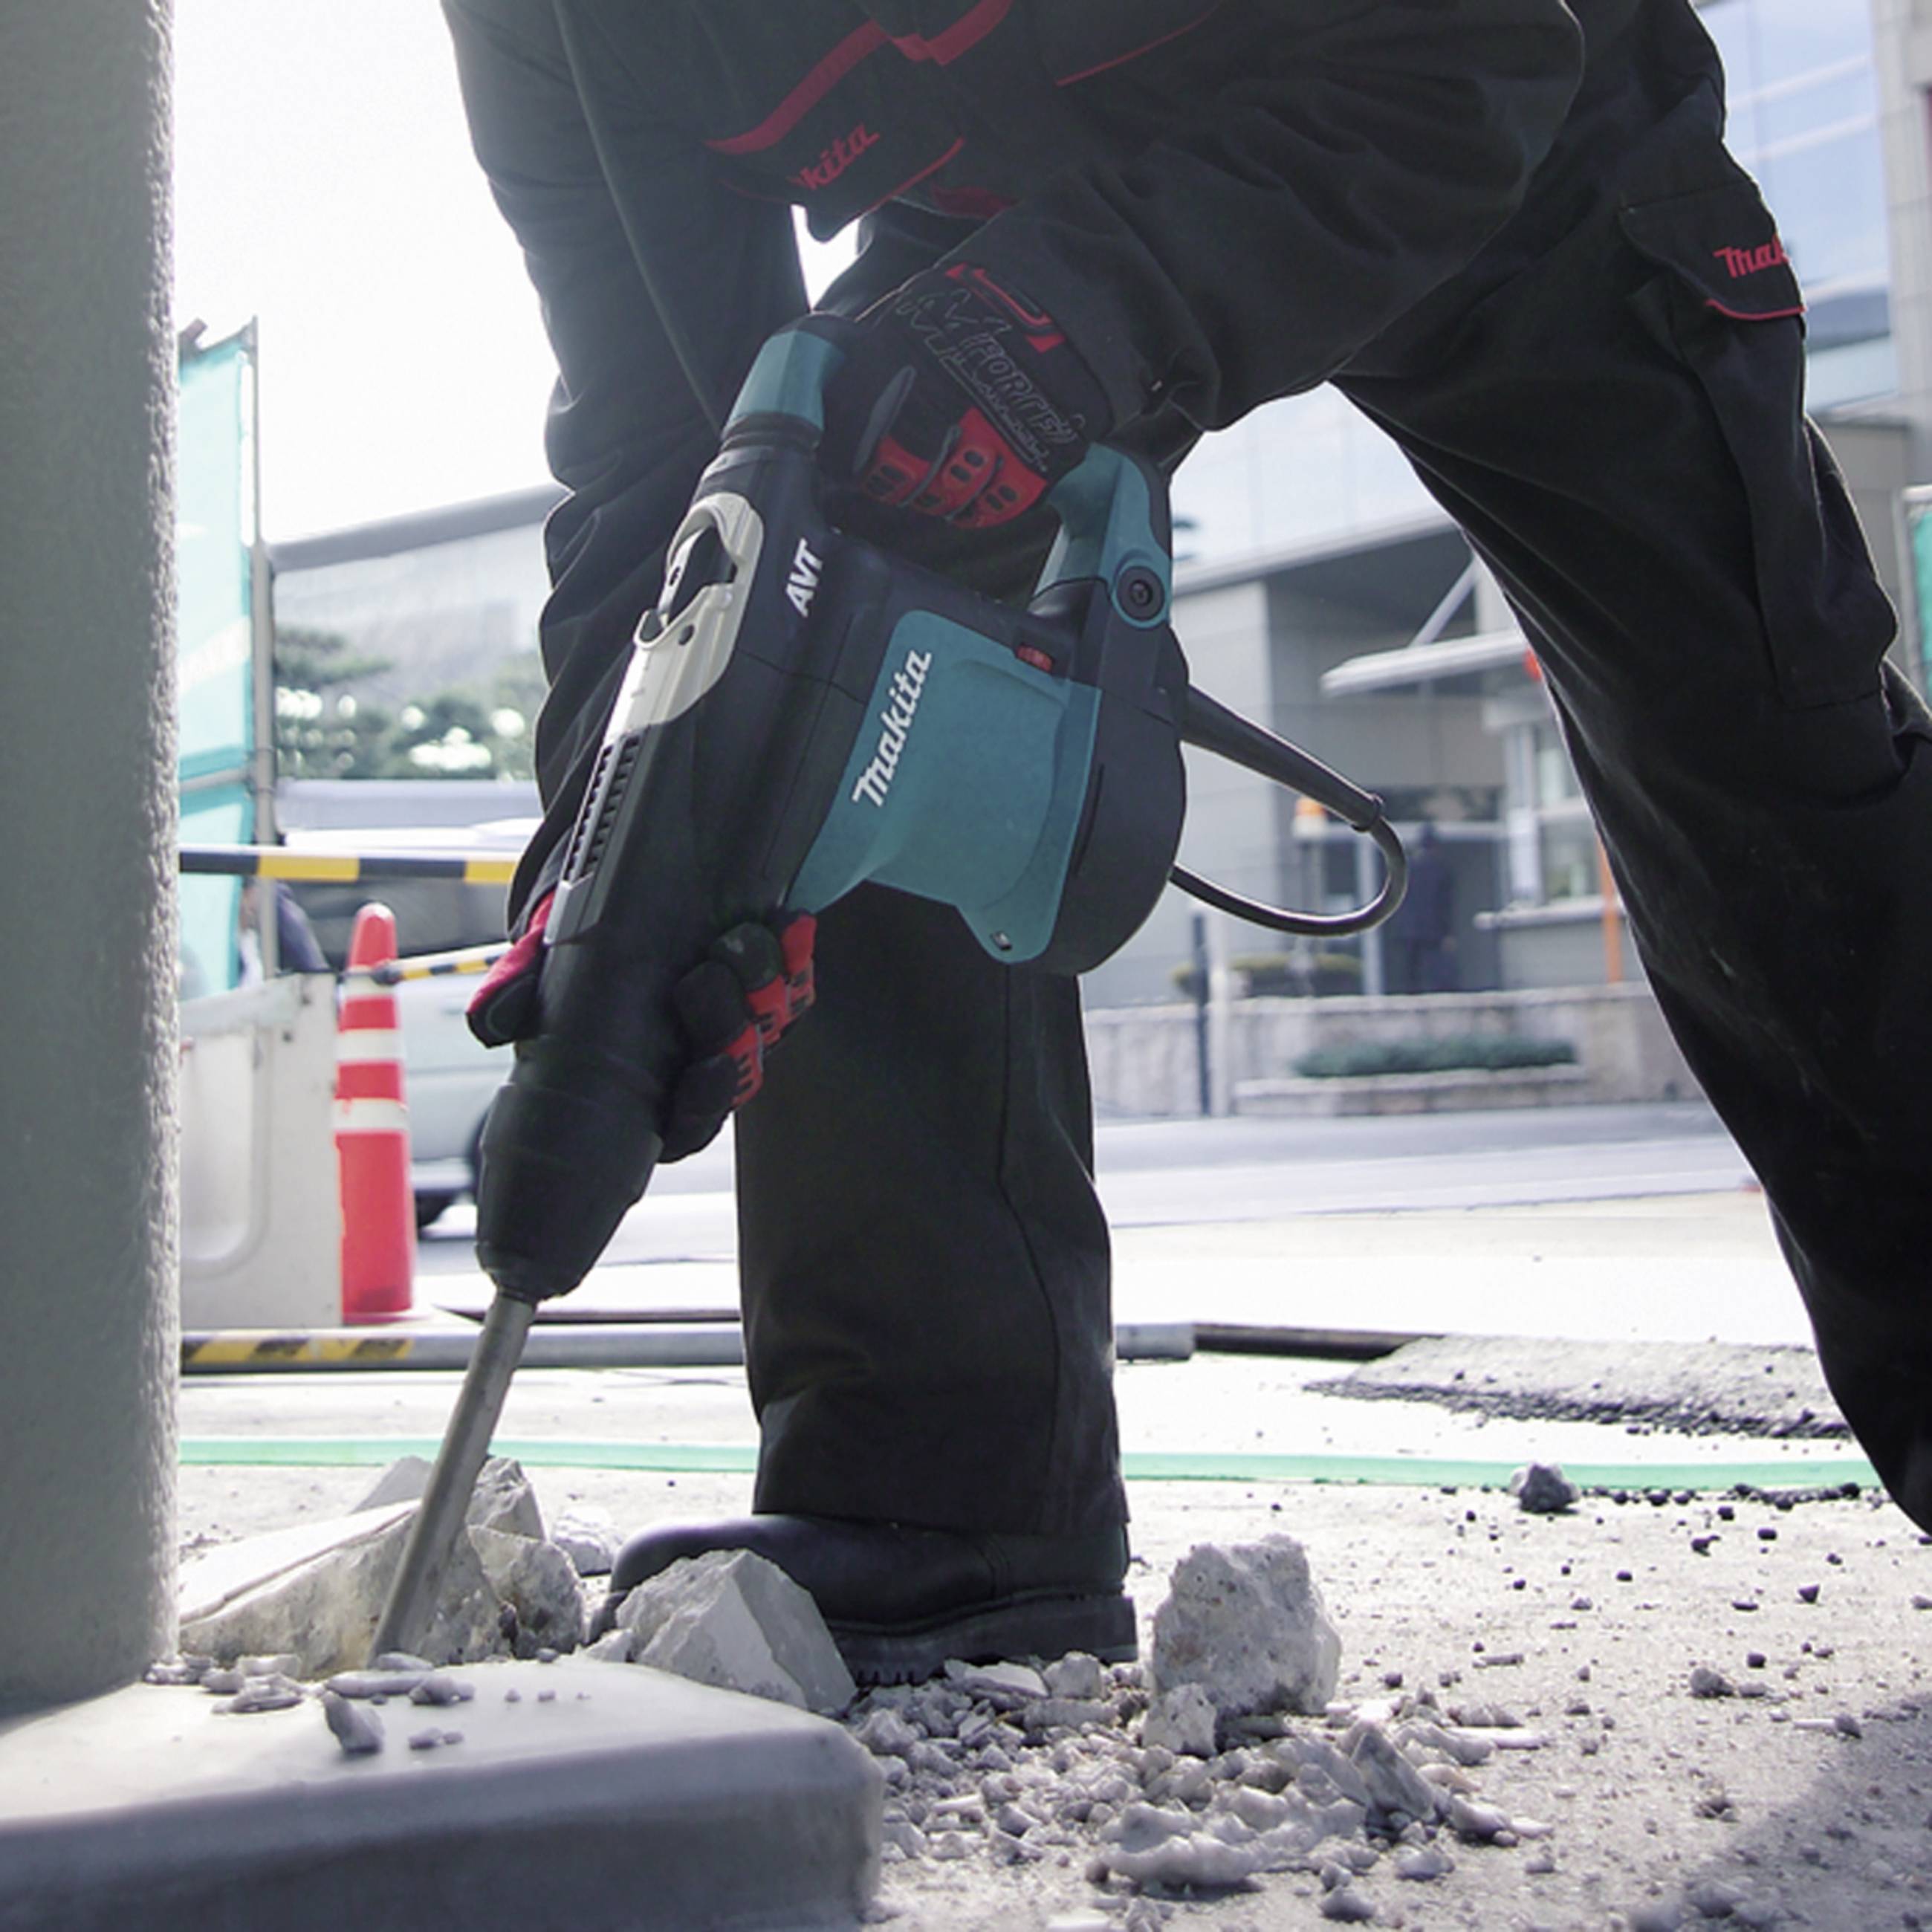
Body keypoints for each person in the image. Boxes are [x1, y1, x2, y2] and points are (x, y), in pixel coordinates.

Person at [441, 0, 1932, 1681]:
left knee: (1762, 755)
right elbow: (667, 457)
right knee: (823, 610)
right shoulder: (545, 33)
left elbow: (1478, 55)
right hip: (1032, 191)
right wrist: (619, 858)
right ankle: (945, 1496)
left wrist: (1073, 317)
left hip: (1486, 126)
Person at [1385, 823, 1458, 994]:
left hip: (1409, 926)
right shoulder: (1441, 870)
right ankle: (1437, 991)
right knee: (1434, 964)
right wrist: (1448, 931)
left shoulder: (1408, 868)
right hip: (1434, 926)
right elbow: (1444, 903)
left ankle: (1411, 992)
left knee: (1411, 968)